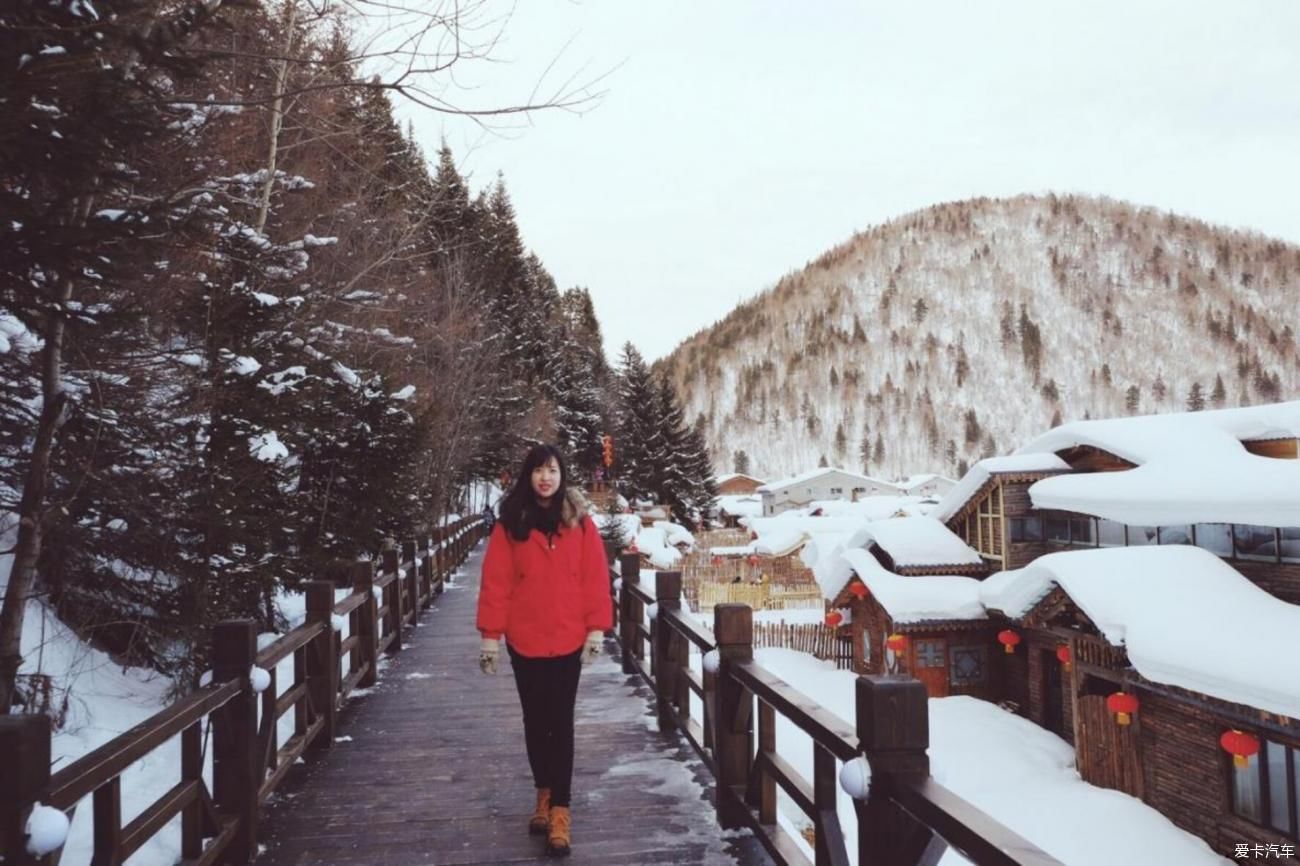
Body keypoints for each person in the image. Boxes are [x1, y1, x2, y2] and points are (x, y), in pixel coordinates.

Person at [475, 443, 612, 858]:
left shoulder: (581, 524)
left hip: (569, 639)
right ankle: (544, 794)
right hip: (525, 640)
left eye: (552, 470)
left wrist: (596, 630)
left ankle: (561, 812)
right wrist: (490, 637)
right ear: (528, 476)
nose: (545, 478)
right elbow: (495, 582)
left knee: (561, 723)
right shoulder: (510, 523)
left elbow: (594, 579)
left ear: (561, 475)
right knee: (535, 723)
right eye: (538, 470)